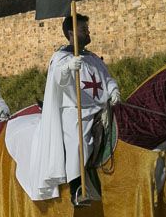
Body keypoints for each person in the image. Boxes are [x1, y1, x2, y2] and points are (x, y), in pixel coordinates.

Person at [25, 13, 120, 203]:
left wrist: (113, 89)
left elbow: (106, 77)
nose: (88, 32)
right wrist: (68, 67)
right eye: (83, 29)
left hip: (101, 106)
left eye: (87, 28)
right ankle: (77, 189)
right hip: (76, 109)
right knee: (79, 140)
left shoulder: (92, 57)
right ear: (71, 33)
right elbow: (57, 78)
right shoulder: (61, 56)